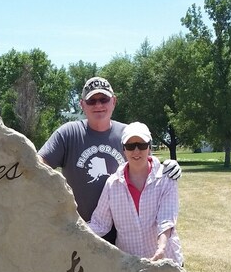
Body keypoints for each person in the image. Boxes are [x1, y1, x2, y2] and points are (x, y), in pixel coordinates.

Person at [38, 77, 181, 243]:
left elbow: (145, 162)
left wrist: (169, 166)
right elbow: (37, 166)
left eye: (104, 99)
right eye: (92, 101)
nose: (98, 105)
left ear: (113, 101)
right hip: (83, 232)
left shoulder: (127, 133)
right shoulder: (68, 134)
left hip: (125, 237)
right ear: (82, 104)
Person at [86, 121, 183, 264]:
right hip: (131, 267)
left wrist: (161, 248)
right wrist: (70, 232)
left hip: (167, 262)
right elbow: (100, 224)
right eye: (130, 146)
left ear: (149, 147)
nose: (136, 151)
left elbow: (166, 220)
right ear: (123, 150)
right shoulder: (113, 184)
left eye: (142, 145)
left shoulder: (166, 179)